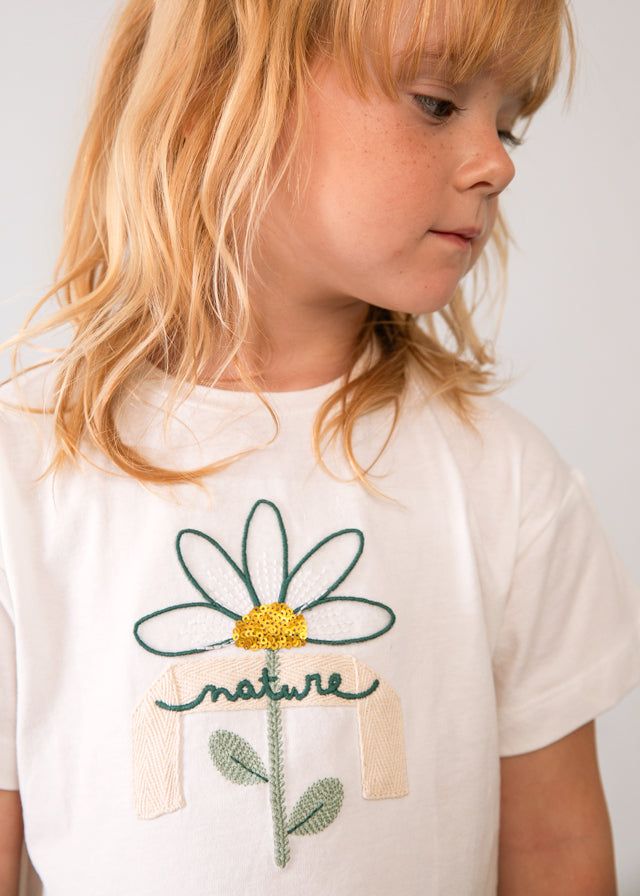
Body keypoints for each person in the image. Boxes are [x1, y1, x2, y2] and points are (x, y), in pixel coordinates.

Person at [0, 0, 638, 893]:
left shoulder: (507, 482)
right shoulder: (28, 470)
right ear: (219, 91)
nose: (497, 162)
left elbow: (556, 851)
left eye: (508, 124)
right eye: (437, 102)